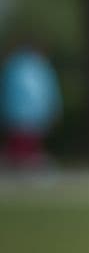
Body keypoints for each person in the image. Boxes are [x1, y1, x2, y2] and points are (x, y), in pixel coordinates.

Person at [1, 42, 62, 171]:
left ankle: (21, 165)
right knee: (24, 142)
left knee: (24, 142)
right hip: (29, 114)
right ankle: (23, 165)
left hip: (21, 114)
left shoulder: (15, 66)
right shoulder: (38, 67)